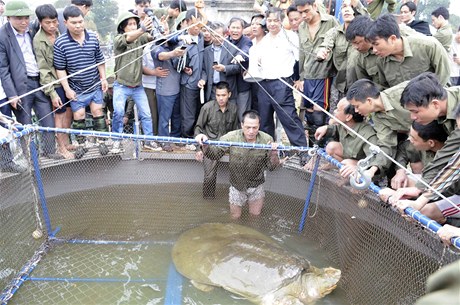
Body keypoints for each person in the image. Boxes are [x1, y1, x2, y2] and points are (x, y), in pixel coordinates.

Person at [0, 0, 59, 159]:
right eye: (18, 18)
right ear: (9, 18)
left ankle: (49, 152)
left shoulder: (34, 28)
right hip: (20, 87)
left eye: (26, 17)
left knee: (48, 119)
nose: (23, 21)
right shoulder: (3, 36)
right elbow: (3, 69)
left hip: (40, 82)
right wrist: (12, 94)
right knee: (25, 124)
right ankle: (30, 157)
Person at [196, 110, 281, 219]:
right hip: (237, 185)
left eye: (254, 128)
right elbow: (215, 154)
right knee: (234, 218)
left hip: (256, 185)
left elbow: (272, 167)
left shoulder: (267, 139)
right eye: (248, 127)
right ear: (242, 125)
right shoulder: (231, 137)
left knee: (255, 217)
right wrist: (204, 144)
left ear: (259, 126)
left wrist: (274, 153)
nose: (251, 131)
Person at [254, 7, 308, 163]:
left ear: (281, 20)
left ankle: (302, 151)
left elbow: (299, 59)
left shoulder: (290, 37)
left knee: (289, 118)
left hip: (281, 82)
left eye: (275, 20)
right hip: (263, 83)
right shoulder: (263, 40)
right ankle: (267, 153)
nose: (272, 24)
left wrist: (298, 78)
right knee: (264, 120)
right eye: (269, 20)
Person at [53, 6, 109, 156]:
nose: (78, 25)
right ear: (65, 23)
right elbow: (60, 68)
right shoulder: (60, 43)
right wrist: (67, 89)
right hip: (76, 88)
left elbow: (100, 60)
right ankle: (82, 144)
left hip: (94, 83)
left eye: (80, 21)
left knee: (98, 112)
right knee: (79, 115)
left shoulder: (93, 38)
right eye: (74, 22)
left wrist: (103, 78)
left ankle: (103, 142)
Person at [112, 11, 159, 152]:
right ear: (123, 27)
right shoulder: (118, 39)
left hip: (138, 86)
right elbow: (129, 37)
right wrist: (142, 28)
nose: (133, 26)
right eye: (130, 24)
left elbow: (151, 37)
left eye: (134, 23)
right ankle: (116, 141)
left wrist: (157, 28)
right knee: (118, 113)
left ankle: (149, 141)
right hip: (121, 85)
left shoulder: (141, 38)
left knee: (146, 114)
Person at [347, 79, 412, 181]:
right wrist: (371, 171)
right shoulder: (377, 117)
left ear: (369, 101)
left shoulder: (403, 92)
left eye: (357, 106)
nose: (355, 110)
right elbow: (386, 144)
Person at [33, 4, 74, 160]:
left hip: (67, 81)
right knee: (59, 115)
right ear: (40, 22)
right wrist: (51, 93)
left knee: (68, 113)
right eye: (47, 23)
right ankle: (61, 148)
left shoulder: (60, 32)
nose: (51, 26)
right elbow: (43, 70)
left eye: (54, 22)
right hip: (54, 84)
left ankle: (66, 141)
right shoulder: (38, 41)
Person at [365, 14, 451, 88]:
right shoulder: (381, 61)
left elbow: (443, 78)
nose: (374, 50)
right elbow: (386, 88)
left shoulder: (428, 46)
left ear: (392, 38)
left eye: (376, 44)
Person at [295, 0, 338, 136]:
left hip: (323, 72)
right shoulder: (302, 26)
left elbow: (341, 39)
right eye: (301, 12)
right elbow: (302, 52)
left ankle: (320, 149)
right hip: (307, 74)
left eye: (306, 11)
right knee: (309, 112)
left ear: (314, 6)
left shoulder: (330, 21)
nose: (304, 15)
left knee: (320, 112)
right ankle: (311, 149)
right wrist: (300, 77)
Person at [310, 98, 378, 178]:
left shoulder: (367, 135)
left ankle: (356, 180)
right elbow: (336, 129)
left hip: (362, 165)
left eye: (338, 110)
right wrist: (326, 128)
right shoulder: (345, 124)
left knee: (346, 163)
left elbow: (375, 161)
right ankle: (341, 171)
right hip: (348, 155)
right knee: (331, 147)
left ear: (348, 117)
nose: (334, 111)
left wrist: (357, 168)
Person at [194, 81, 238, 199]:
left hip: (227, 145)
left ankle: (237, 200)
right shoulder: (207, 108)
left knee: (239, 170)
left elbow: (236, 131)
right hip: (210, 146)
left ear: (229, 94)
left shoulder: (234, 109)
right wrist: (199, 149)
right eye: (218, 95)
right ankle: (208, 201)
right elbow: (198, 129)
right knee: (209, 176)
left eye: (223, 95)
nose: (221, 98)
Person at [152, 32, 186, 151]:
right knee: (164, 118)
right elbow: (161, 56)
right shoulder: (155, 46)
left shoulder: (173, 44)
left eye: (167, 31)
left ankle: (175, 138)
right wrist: (174, 53)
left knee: (176, 117)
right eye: (162, 32)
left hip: (177, 88)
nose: (165, 34)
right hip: (165, 90)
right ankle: (164, 141)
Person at [198, 21, 240, 104]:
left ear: (225, 35)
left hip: (227, 89)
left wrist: (224, 68)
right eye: (213, 35)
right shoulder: (206, 51)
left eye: (218, 36)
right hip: (212, 89)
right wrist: (203, 79)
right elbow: (204, 69)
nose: (215, 38)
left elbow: (238, 68)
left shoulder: (232, 49)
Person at [345, 15, 382, 89]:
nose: (355, 47)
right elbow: (363, 84)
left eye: (357, 43)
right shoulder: (359, 58)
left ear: (368, 36)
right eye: (352, 43)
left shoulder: (389, 42)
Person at [228, 17, 253, 122]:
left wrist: (240, 56)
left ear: (242, 29)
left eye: (238, 28)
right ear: (228, 29)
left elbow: (246, 50)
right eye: (233, 27)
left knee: (242, 114)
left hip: (242, 85)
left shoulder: (247, 41)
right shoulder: (225, 41)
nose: (235, 30)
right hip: (229, 84)